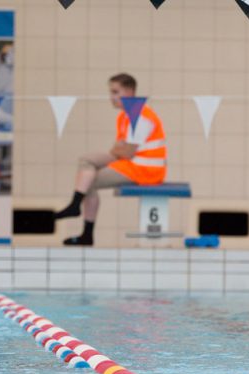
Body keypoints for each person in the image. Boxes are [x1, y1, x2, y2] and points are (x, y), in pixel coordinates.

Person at [54, 73, 167, 246]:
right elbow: (118, 149)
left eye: (116, 92)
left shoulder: (141, 116)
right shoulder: (124, 116)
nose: (111, 97)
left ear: (129, 92)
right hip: (132, 163)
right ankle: (75, 206)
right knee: (85, 161)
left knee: (87, 181)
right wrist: (119, 150)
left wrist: (119, 150)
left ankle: (85, 229)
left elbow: (126, 151)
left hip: (145, 170)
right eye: (111, 92)